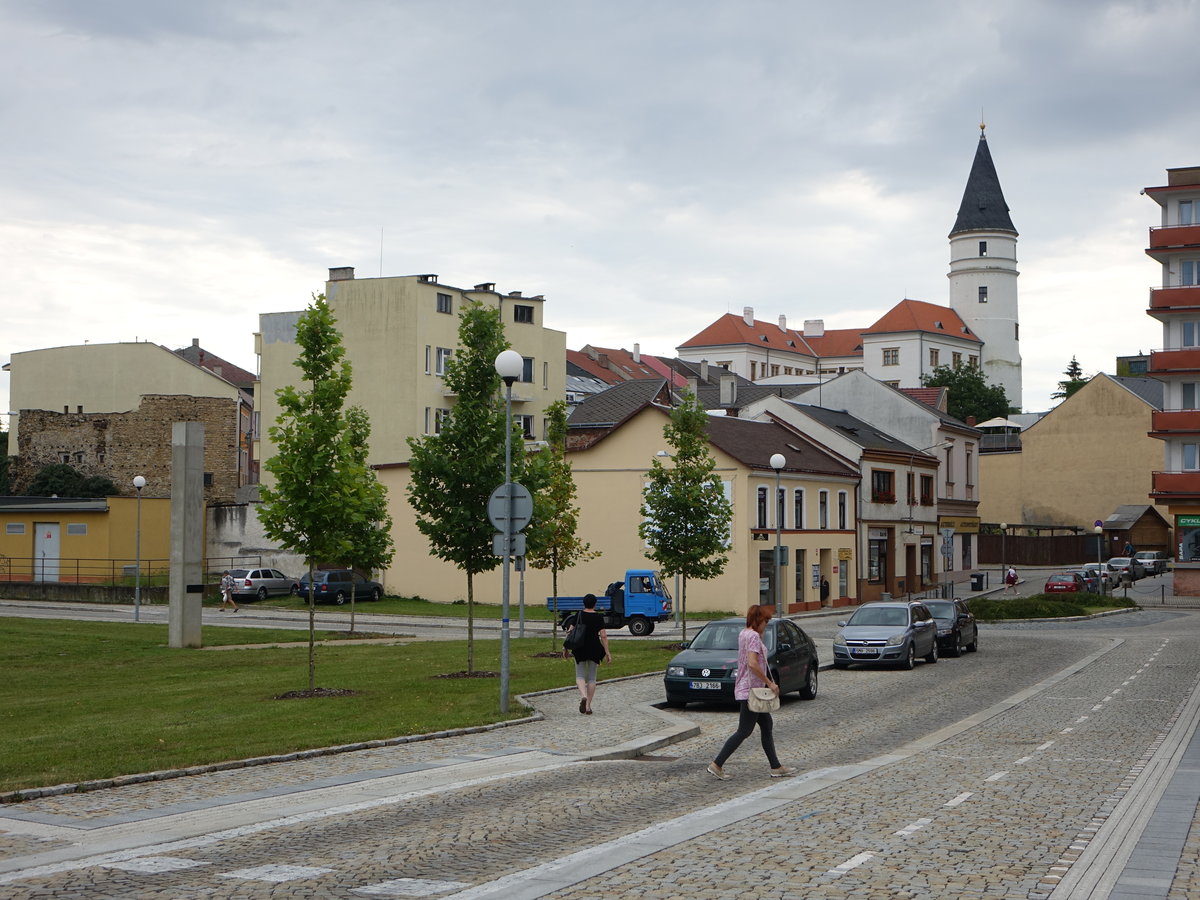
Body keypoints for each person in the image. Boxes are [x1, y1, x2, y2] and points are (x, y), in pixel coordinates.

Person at [707, 604, 796, 780]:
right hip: (751, 691)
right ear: (758, 620)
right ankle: (716, 764)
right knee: (744, 730)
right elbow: (753, 663)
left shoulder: (744, 634)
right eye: (765, 621)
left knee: (766, 725)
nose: (766, 624)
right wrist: (770, 683)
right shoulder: (753, 636)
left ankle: (776, 766)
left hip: (747, 688)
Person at [565, 593, 610, 714]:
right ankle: (588, 706)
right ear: (595, 604)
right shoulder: (598, 617)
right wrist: (607, 652)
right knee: (592, 678)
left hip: (580, 648)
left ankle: (583, 695)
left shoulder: (578, 615)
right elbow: (603, 635)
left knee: (580, 676)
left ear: (583, 603)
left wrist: (565, 648)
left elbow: (570, 632)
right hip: (594, 648)